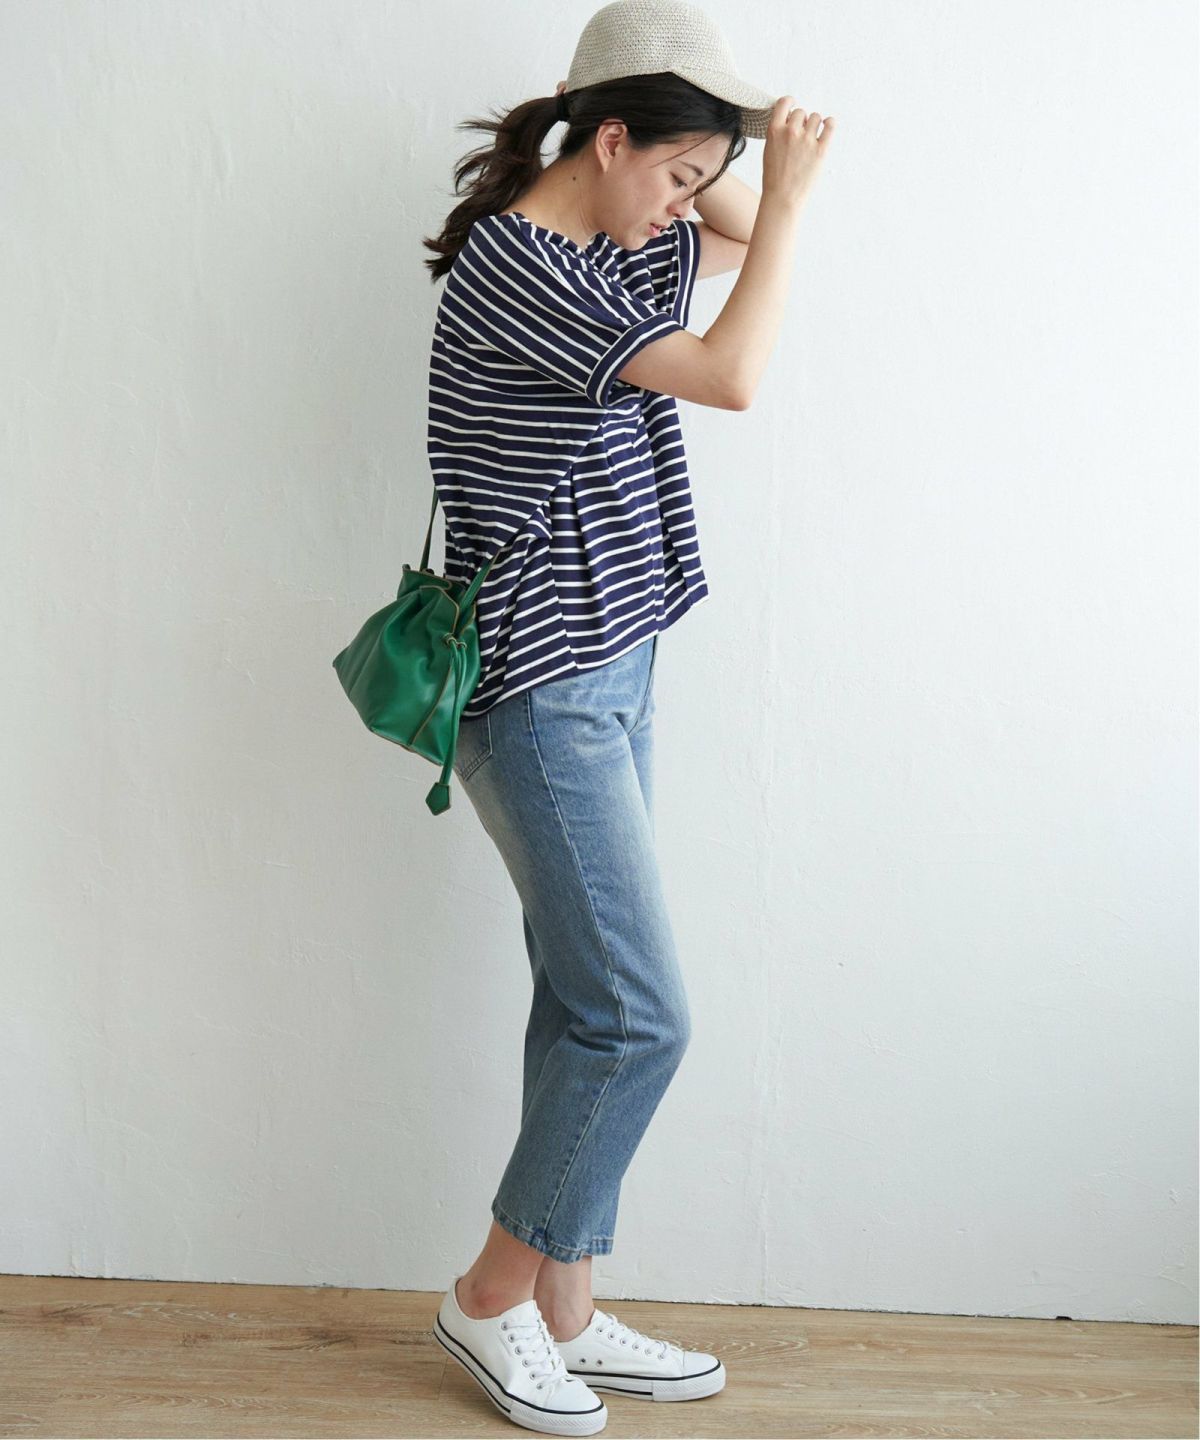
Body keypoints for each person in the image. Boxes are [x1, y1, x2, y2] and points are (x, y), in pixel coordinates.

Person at [424, 3, 834, 1433]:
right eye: (672, 171)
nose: (688, 205)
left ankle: (564, 1307)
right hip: (541, 693)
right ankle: (489, 1297)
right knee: (642, 1019)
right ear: (607, 139)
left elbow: (716, 224)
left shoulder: (615, 230)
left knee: (582, 1002)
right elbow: (732, 376)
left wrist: (712, 145)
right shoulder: (522, 267)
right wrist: (781, 191)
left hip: (612, 667)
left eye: (694, 179)